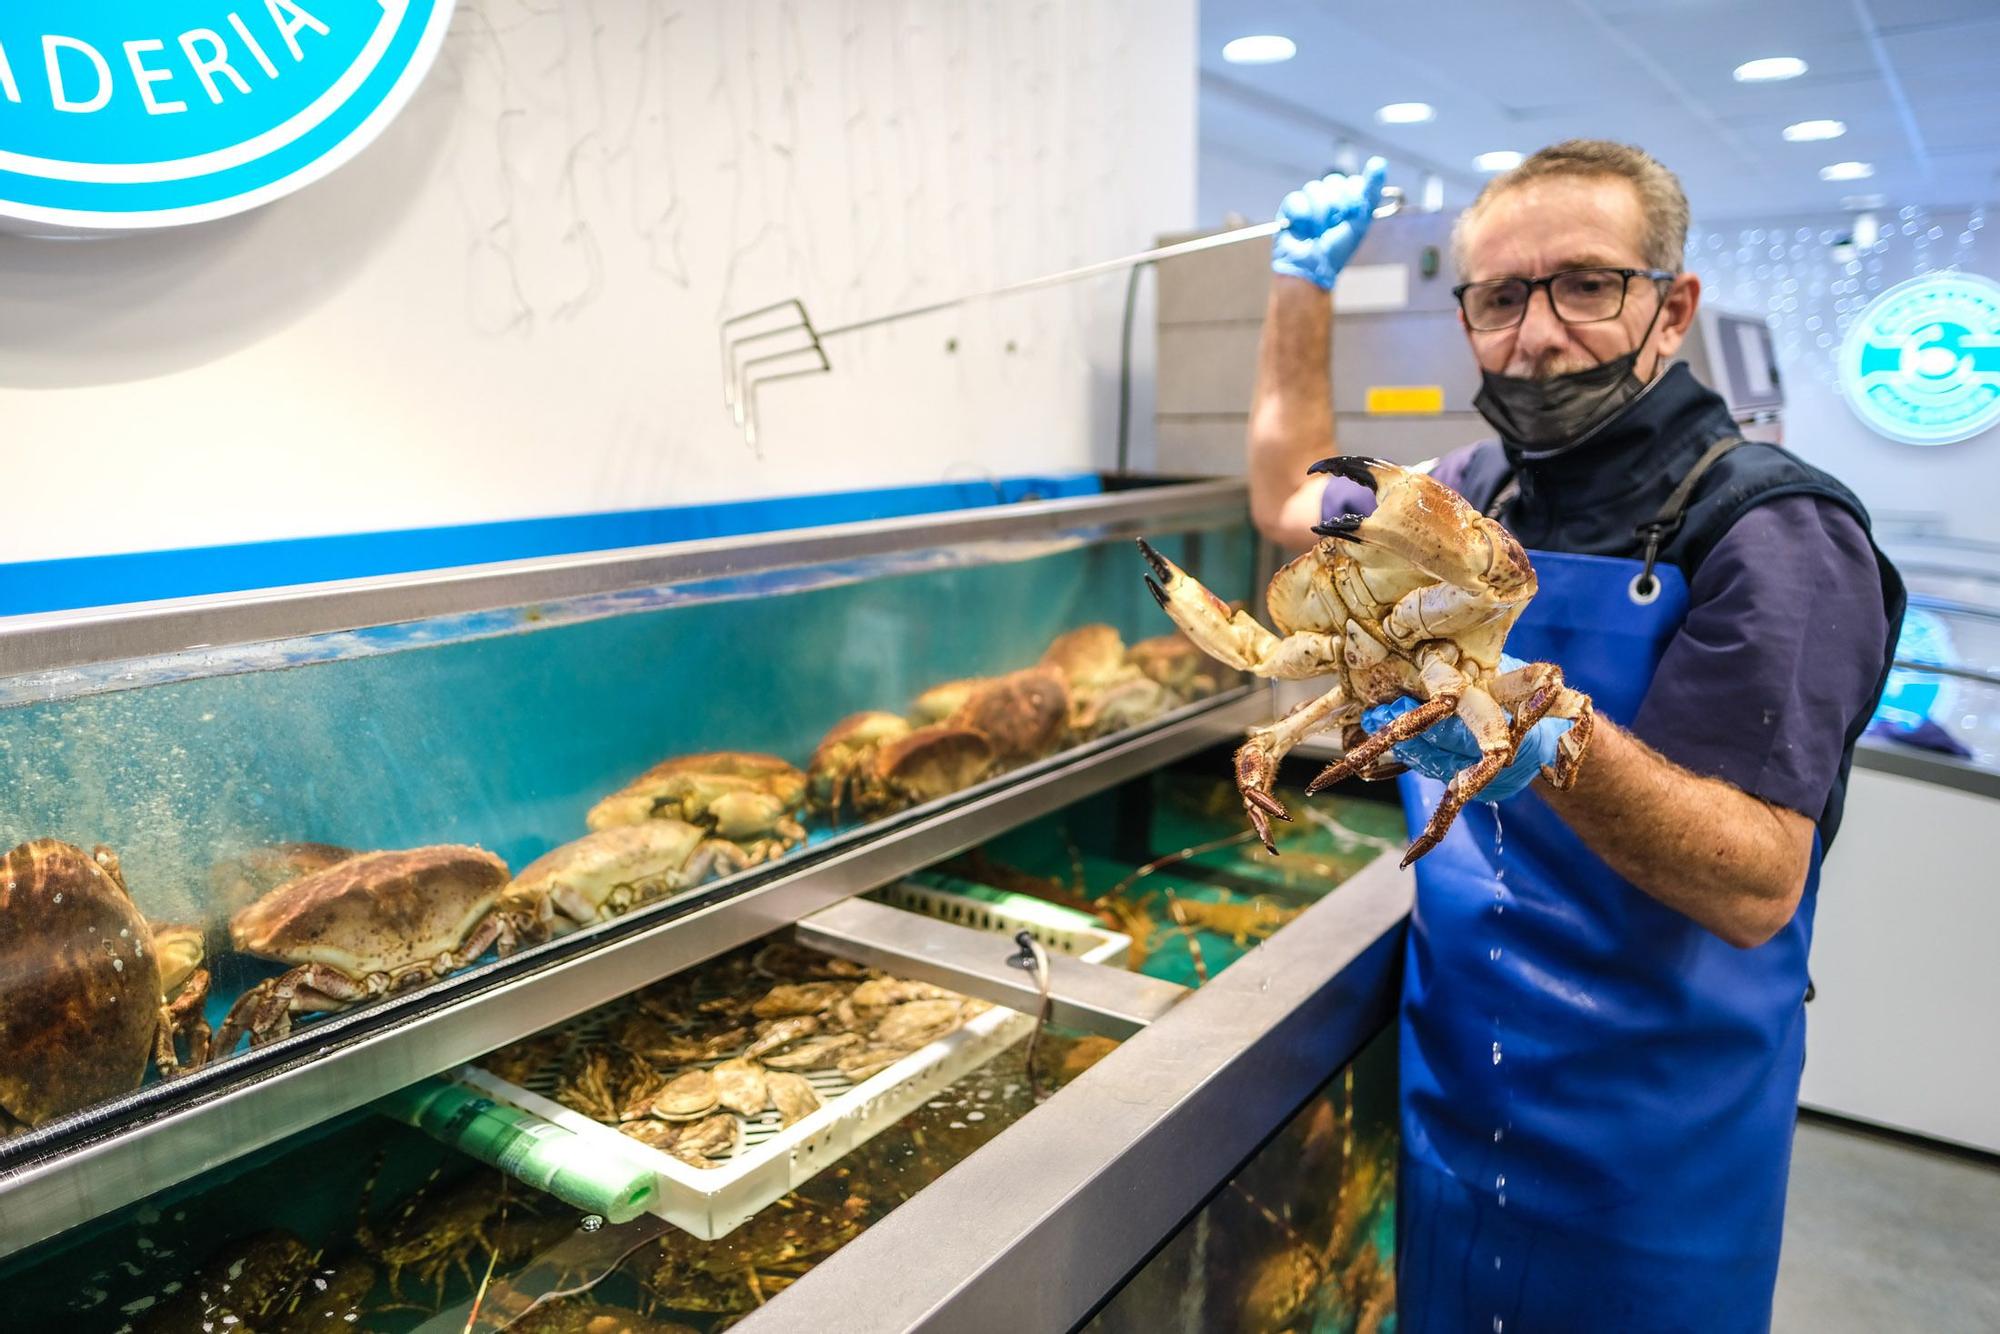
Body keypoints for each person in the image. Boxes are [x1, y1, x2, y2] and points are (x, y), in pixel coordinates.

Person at [1249, 141, 1904, 1331]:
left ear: (1671, 304)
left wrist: (1537, 725)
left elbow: (1757, 883)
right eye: (1499, 297)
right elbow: (1284, 501)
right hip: (1455, 1082)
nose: (1538, 334)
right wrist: (1299, 282)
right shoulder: (1465, 492)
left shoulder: (1772, 529)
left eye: (1586, 284)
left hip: (1651, 1143)